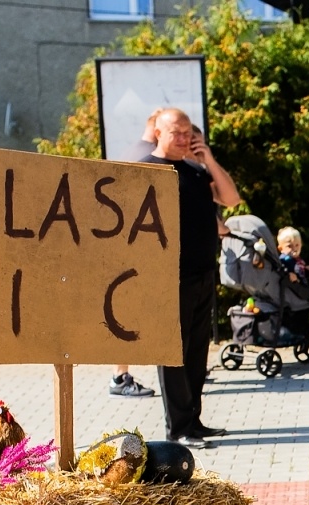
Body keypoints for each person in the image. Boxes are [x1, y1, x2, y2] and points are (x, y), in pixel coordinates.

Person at [149, 108, 240, 448]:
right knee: (173, 354)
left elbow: (231, 199)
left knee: (197, 352)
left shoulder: (198, 172)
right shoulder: (147, 170)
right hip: (168, 278)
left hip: (202, 274)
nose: (185, 138)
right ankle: (178, 428)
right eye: (177, 132)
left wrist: (209, 160)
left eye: (189, 132)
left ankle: (194, 421)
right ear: (159, 133)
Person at [105, 109, 168, 398]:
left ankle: (120, 375)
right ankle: (120, 376)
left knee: (124, 310)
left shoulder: (132, 151)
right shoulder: (149, 158)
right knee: (126, 313)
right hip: (135, 246)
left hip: (125, 244)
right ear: (158, 131)